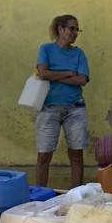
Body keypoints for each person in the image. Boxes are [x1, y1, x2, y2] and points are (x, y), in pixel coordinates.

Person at [33, 14, 90, 189]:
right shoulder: (46, 49)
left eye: (77, 29)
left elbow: (82, 80)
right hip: (49, 108)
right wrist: (68, 73)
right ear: (61, 29)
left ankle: (75, 196)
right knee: (44, 155)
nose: (75, 33)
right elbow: (43, 74)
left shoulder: (79, 53)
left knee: (76, 154)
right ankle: (40, 194)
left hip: (75, 108)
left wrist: (54, 75)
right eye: (72, 28)